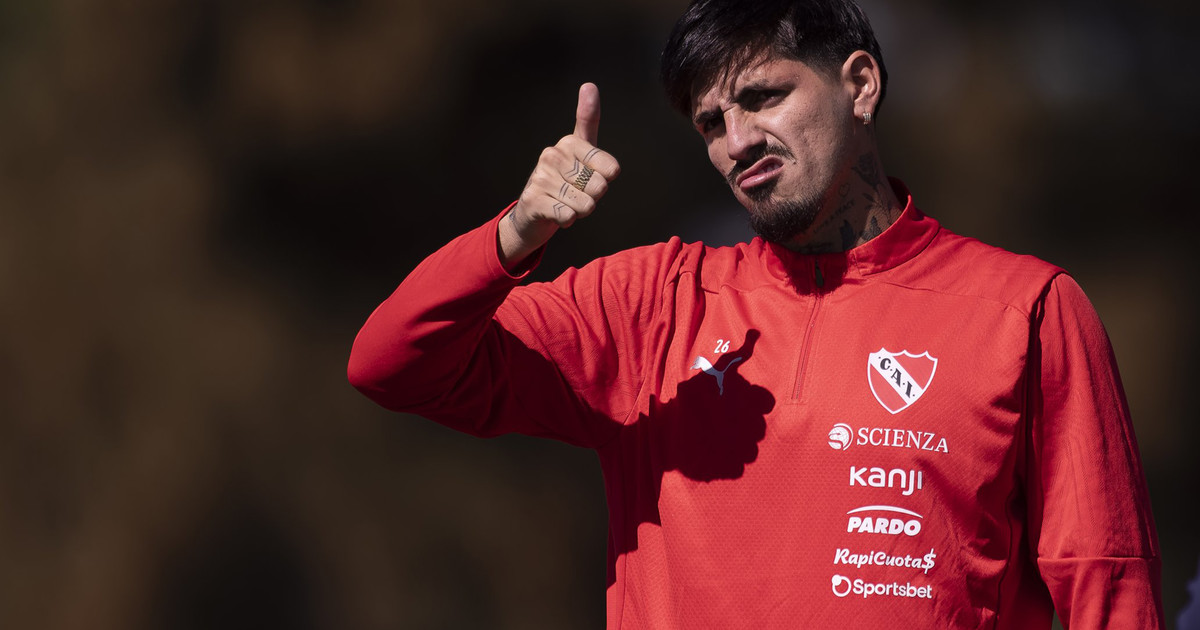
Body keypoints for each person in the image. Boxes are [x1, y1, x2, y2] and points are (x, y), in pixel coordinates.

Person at [347, 0, 1164, 627]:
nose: (737, 142)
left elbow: (1108, 588)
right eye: (712, 123)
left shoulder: (1025, 309)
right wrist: (517, 232)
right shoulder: (650, 305)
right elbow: (392, 365)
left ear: (860, 85)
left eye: (763, 97)